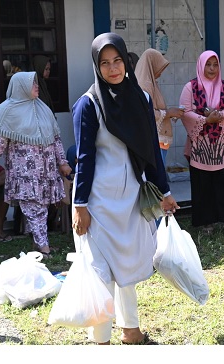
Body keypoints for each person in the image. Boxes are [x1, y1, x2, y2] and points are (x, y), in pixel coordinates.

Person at [72, 32, 179, 345]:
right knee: (101, 272)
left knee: (127, 265)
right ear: (97, 66)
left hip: (131, 196)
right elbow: (84, 158)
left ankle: (131, 330)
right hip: (97, 201)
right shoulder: (88, 104)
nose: (112, 68)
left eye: (117, 60)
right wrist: (81, 205)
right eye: (104, 63)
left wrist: (166, 191)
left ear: (126, 61)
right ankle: (100, 339)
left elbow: (150, 151)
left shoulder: (142, 99)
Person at [0, 72, 71, 257]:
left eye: (36, 82)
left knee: (41, 208)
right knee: (33, 207)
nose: (36, 86)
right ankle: (43, 248)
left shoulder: (42, 108)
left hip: (46, 170)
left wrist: (62, 162)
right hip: (25, 172)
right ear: (20, 86)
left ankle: (40, 244)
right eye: (32, 83)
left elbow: (56, 138)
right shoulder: (7, 110)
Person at [180, 51, 224, 233]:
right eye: (208, 65)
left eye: (215, 65)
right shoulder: (190, 87)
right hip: (201, 146)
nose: (212, 69)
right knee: (203, 185)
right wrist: (206, 121)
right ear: (201, 66)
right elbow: (185, 112)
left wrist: (219, 116)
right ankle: (204, 222)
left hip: (222, 145)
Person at [134, 48, 185, 164]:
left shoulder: (151, 83)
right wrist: (168, 113)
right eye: (159, 66)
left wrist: (172, 114)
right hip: (153, 141)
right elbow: (146, 113)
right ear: (151, 65)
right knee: (156, 178)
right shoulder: (144, 85)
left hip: (159, 141)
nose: (161, 71)